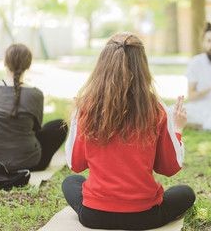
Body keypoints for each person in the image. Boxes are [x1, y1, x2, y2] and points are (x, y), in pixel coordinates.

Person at [62, 32, 195, 230]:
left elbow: (76, 164)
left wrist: (76, 118)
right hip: (144, 216)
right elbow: (169, 168)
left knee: (71, 181)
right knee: (186, 193)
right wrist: (176, 129)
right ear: (143, 67)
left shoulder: (86, 107)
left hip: (94, 216)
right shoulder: (156, 108)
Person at [0, 44, 68, 171]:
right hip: (29, 163)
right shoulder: (36, 94)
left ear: (5, 63)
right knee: (60, 125)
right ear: (28, 65)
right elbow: (36, 128)